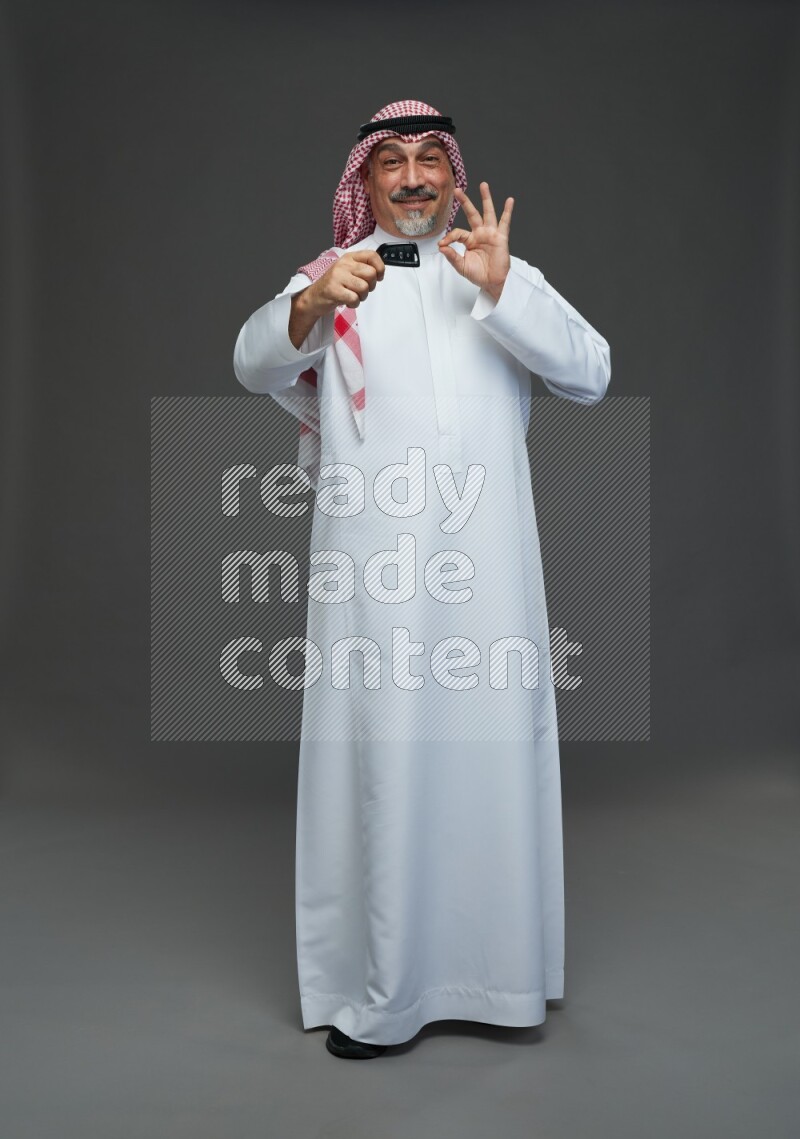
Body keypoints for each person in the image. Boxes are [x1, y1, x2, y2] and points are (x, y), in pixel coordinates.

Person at [233, 100, 611, 1059]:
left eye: (429, 161)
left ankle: (501, 979)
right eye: (390, 162)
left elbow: (592, 373)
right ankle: (385, 991)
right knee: (385, 761)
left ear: (453, 177)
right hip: (375, 577)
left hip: (488, 570)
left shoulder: (495, 270)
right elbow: (251, 361)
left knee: (487, 754)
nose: (411, 177)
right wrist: (314, 304)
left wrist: (503, 290)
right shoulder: (336, 278)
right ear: (361, 184)